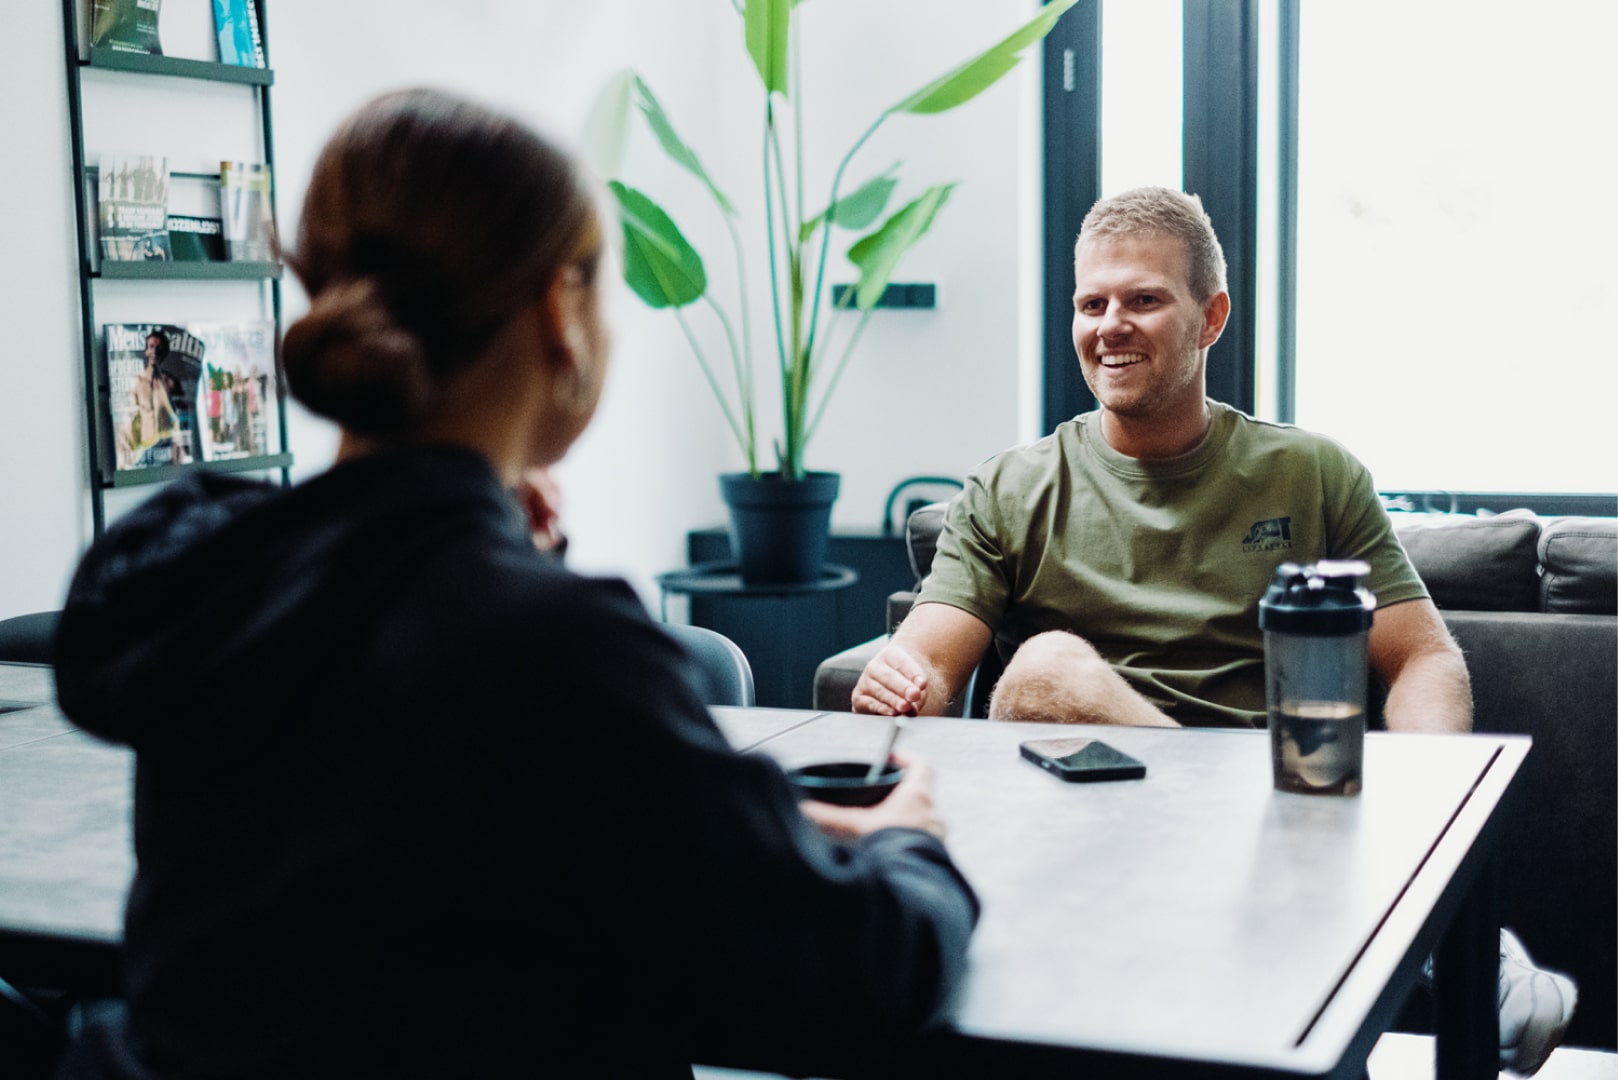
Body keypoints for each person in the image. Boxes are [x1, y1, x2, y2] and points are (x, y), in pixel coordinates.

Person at [51, 88, 977, 1080]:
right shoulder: (554, 645)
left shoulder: (201, 568)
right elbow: (846, 982)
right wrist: (908, 848)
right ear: (558, 310)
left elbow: (404, 823)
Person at [851, 186, 1575, 1075]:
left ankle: (1422, 917)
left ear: (1212, 316)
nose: (1110, 324)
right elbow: (930, 652)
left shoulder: (1310, 473)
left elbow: (1422, 654)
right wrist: (902, 675)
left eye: (1144, 299)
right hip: (1083, 843)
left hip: (1293, 829)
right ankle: (1380, 916)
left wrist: (1427, 818)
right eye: (1092, 304)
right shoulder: (1007, 488)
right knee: (1046, 670)